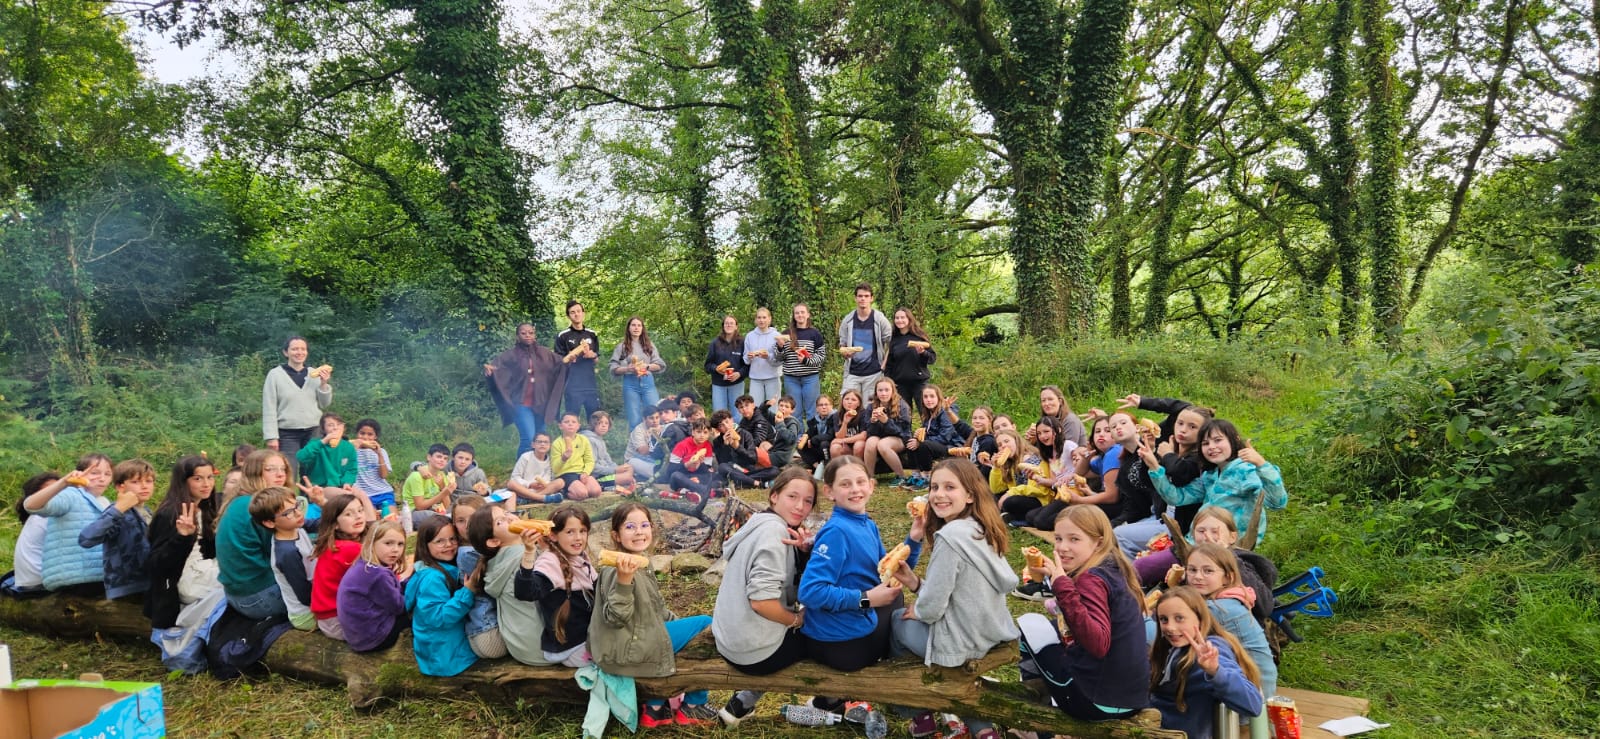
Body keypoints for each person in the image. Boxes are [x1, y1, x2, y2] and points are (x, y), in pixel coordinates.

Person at [888, 460, 1017, 739]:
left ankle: (919, 714)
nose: (938, 495)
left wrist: (918, 610)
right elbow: (957, 593)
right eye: (934, 487)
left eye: (950, 487)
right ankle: (983, 731)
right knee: (950, 669)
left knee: (897, 620)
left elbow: (933, 608)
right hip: (989, 631)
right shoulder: (981, 528)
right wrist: (913, 582)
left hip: (964, 642)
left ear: (969, 494)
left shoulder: (949, 537)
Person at [795, 456, 920, 728]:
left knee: (894, 593)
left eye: (861, 482)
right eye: (845, 484)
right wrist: (865, 599)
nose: (855, 489)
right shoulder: (837, 531)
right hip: (839, 646)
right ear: (829, 492)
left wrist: (915, 538)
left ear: (872, 486)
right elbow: (810, 592)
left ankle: (829, 700)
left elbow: (893, 572)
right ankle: (882, 688)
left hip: (845, 633)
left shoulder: (866, 524)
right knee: (895, 603)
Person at [1016, 505, 1149, 721]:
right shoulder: (1114, 568)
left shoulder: (1092, 579)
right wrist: (1055, 577)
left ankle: (1038, 718)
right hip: (1130, 699)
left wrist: (1061, 583)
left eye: (1074, 539)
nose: (1062, 547)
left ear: (1098, 542)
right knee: (1053, 626)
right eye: (1058, 538)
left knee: (1029, 625)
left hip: (1093, 701)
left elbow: (1097, 643)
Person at [593, 503, 717, 726]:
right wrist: (623, 580)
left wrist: (679, 626)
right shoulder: (615, 569)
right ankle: (693, 706)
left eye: (644, 525)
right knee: (707, 624)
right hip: (625, 646)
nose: (639, 531)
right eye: (630, 526)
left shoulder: (642, 563)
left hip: (637, 637)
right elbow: (615, 618)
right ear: (616, 535)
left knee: (684, 630)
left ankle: (655, 708)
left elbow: (657, 609)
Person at [714, 467, 818, 725]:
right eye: (792, 497)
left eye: (807, 501)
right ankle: (827, 702)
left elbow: (787, 585)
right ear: (774, 496)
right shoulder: (775, 534)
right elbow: (762, 602)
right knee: (830, 632)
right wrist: (798, 620)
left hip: (727, 639)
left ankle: (741, 703)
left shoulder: (758, 522)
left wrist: (804, 553)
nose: (800, 507)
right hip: (752, 652)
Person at [1149, 419, 1288, 547]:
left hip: (1230, 549)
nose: (1211, 447)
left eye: (1217, 440)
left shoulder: (1245, 471)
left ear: (1234, 440)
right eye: (1205, 443)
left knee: (1143, 566)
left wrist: (1261, 464)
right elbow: (1177, 498)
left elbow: (1277, 503)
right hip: (1198, 544)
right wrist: (1154, 468)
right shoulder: (1211, 475)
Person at [1150, 587, 1264, 739]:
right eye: (1164, 619)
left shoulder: (1210, 650)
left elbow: (1253, 704)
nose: (1170, 627)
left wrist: (1216, 671)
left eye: (1179, 618)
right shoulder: (1172, 648)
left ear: (1200, 619)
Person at [1173, 543, 1278, 697]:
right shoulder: (1225, 596)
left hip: (1254, 692)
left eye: (1208, 571)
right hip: (1251, 684)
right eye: (1192, 570)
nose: (1198, 576)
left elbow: (1175, 628)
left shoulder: (1220, 608)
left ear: (1228, 577)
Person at [467, 505, 555, 666]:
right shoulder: (523, 555)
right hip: (544, 648)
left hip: (520, 648)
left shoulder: (495, 561)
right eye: (500, 521)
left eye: (506, 513)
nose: (510, 518)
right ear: (494, 541)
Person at [516, 505, 598, 667]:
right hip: (571, 647)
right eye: (570, 532)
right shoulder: (550, 562)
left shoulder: (580, 557)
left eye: (582, 531)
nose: (578, 538)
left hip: (586, 636)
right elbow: (525, 593)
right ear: (553, 536)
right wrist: (528, 553)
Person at [214, 451, 291, 618]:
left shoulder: (239, 500)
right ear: (254, 474)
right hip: (260, 597)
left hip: (236, 595)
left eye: (283, 469)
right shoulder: (260, 506)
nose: (279, 474)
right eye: (270, 469)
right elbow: (284, 554)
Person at [23, 453, 113, 596]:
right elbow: (30, 505)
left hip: (96, 576)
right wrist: (64, 482)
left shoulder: (104, 502)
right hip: (73, 578)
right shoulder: (70, 495)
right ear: (81, 473)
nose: (102, 478)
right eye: (95, 473)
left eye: (107, 474)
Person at [406, 516, 480, 676]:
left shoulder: (436, 568)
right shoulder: (432, 578)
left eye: (452, 539)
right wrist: (467, 592)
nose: (448, 545)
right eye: (439, 541)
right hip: (445, 657)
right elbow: (439, 618)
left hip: (439, 650)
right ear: (425, 546)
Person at [485, 322, 568, 456]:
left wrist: (572, 359)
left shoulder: (545, 353)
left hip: (541, 404)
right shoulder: (510, 355)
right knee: (529, 439)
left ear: (534, 335)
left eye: (530, 333)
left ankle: (537, 472)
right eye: (523, 333)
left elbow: (561, 363)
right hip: (521, 404)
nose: (527, 335)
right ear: (517, 336)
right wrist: (490, 372)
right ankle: (519, 474)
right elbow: (496, 368)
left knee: (541, 441)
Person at [78, 458, 156, 600]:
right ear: (120, 487)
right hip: (128, 589)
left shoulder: (148, 512)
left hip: (150, 583)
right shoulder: (119, 511)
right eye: (136, 482)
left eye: (149, 481)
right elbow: (86, 538)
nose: (144, 486)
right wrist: (118, 509)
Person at [337, 520, 413, 653]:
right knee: (420, 610)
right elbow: (400, 607)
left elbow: (391, 591)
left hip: (358, 635)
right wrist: (416, 589)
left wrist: (408, 583)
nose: (395, 549)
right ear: (372, 544)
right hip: (373, 639)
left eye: (400, 544)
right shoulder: (378, 575)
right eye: (388, 543)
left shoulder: (364, 564)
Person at [262, 336, 333, 466]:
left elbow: (324, 404)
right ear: (286, 352)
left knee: (313, 471)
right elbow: (269, 407)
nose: (299, 352)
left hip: (313, 430)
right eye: (294, 349)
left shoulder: (314, 374)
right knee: (289, 469)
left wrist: (324, 384)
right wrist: (271, 437)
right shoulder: (275, 375)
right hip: (287, 433)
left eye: (303, 349)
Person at [310, 493, 373, 639]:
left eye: (360, 510)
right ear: (336, 524)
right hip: (338, 621)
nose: (358, 516)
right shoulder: (351, 549)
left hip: (327, 618)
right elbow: (384, 577)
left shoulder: (333, 544)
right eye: (349, 514)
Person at [262, 488, 315, 631]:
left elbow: (322, 524)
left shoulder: (294, 527)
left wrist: (322, 502)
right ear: (269, 523)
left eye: (296, 506)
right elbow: (305, 596)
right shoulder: (288, 553)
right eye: (288, 512)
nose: (298, 513)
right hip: (306, 615)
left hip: (314, 600)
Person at [904, 386, 970, 489]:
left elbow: (946, 436)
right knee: (910, 442)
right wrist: (918, 436)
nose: (928, 400)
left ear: (939, 398)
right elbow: (927, 432)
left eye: (932, 396)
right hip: (937, 443)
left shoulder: (945, 411)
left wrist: (923, 440)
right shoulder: (928, 413)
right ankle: (916, 476)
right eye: (925, 397)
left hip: (951, 445)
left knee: (924, 445)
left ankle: (928, 478)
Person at [610, 316, 666, 431]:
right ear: (628, 328)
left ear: (642, 328)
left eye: (639, 325)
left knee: (654, 414)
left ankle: (656, 444)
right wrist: (628, 369)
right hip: (630, 384)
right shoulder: (622, 347)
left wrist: (647, 366)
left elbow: (660, 365)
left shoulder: (649, 345)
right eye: (633, 325)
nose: (636, 328)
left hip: (648, 383)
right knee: (634, 418)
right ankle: (637, 446)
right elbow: (613, 368)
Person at [837, 283, 892, 399]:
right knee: (849, 404)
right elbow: (842, 344)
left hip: (874, 372)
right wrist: (845, 353)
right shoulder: (848, 320)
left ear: (871, 298)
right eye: (860, 296)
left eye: (866, 296)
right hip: (852, 372)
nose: (863, 299)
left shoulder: (879, 319)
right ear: (855, 298)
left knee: (870, 408)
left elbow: (892, 342)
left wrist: (884, 364)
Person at [8, 473, 59, 596]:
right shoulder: (46, 515)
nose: (57, 493)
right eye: (51, 490)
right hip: (40, 582)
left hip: (28, 581)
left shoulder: (36, 516)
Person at [778, 303, 827, 421]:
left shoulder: (815, 333)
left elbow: (821, 356)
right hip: (791, 378)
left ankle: (812, 437)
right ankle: (797, 436)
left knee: (813, 410)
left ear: (808, 315)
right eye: (797, 313)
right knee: (794, 410)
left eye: (802, 312)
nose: (800, 315)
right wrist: (780, 347)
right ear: (794, 316)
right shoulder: (785, 333)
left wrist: (806, 360)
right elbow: (778, 358)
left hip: (811, 378)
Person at [555, 300, 603, 421]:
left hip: (590, 383)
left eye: (578, 311)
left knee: (594, 419)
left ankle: (592, 439)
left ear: (583, 313)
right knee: (571, 419)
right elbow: (559, 361)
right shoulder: (563, 335)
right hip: (572, 385)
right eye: (572, 312)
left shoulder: (592, 334)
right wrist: (570, 358)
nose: (576, 314)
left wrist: (592, 355)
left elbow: (596, 359)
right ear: (568, 316)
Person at [862, 378, 914, 487]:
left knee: (883, 444)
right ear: (876, 392)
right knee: (871, 441)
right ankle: (869, 478)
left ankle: (901, 476)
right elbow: (869, 433)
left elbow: (903, 432)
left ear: (892, 391)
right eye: (880, 390)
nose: (883, 393)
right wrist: (873, 421)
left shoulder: (902, 406)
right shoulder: (871, 407)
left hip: (900, 439)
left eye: (887, 390)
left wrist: (886, 421)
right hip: (879, 437)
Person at [883, 307, 936, 411]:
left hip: (919, 382)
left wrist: (923, 353)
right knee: (903, 415)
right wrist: (890, 381)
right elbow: (889, 364)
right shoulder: (894, 340)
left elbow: (932, 358)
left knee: (925, 412)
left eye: (902, 317)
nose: (899, 320)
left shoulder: (919, 337)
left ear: (909, 319)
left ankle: (928, 428)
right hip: (900, 384)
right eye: (897, 318)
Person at [550, 412, 603, 500]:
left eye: (573, 422)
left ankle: (578, 489)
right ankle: (565, 491)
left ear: (578, 426)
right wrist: (563, 458)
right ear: (560, 426)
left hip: (581, 472)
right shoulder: (557, 443)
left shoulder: (583, 440)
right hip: (566, 474)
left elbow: (589, 460)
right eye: (567, 422)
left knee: (596, 492)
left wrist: (586, 473)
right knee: (582, 494)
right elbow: (555, 469)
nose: (570, 424)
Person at [706, 315, 749, 420]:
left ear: (736, 327)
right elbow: (707, 365)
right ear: (723, 326)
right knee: (719, 414)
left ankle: (739, 435)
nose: (729, 325)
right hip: (718, 384)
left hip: (737, 383)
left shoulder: (743, 342)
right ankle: (722, 435)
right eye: (726, 323)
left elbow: (748, 365)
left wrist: (739, 374)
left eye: (731, 323)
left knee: (738, 414)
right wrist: (717, 369)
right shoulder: (715, 343)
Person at [404, 444, 457, 527]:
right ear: (429, 457)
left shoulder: (442, 475)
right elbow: (420, 507)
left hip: (434, 509)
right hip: (414, 512)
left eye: (445, 458)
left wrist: (442, 486)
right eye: (439, 457)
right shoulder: (417, 476)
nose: (442, 460)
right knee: (436, 517)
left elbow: (446, 505)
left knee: (457, 510)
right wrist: (443, 493)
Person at [351, 419, 397, 516]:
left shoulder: (382, 452)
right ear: (357, 434)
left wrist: (379, 454)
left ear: (375, 436)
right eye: (362, 433)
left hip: (383, 492)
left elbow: (383, 475)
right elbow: (345, 470)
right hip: (363, 495)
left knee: (391, 519)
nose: (365, 437)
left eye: (370, 434)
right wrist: (353, 449)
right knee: (373, 521)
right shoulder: (350, 451)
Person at [664, 419, 716, 503]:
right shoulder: (682, 445)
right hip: (682, 477)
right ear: (693, 432)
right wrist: (687, 465)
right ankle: (709, 492)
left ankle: (688, 492)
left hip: (697, 478)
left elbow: (707, 469)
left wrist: (700, 464)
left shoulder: (707, 446)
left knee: (711, 474)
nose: (702, 435)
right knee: (675, 476)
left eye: (705, 432)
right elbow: (670, 470)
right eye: (698, 432)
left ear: (709, 433)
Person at [583, 411, 635, 493]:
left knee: (629, 467)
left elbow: (608, 460)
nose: (603, 426)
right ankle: (601, 485)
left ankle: (619, 482)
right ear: (593, 424)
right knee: (627, 477)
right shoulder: (590, 440)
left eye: (606, 423)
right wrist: (614, 471)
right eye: (600, 423)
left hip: (606, 472)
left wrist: (618, 468)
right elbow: (593, 467)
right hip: (596, 476)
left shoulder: (600, 439)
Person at [507, 433, 565, 504]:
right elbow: (515, 477)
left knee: (560, 482)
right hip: (525, 489)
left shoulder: (551, 460)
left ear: (550, 446)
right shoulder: (525, 457)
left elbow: (551, 479)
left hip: (542, 490)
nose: (542, 444)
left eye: (546, 442)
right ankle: (542, 498)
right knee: (511, 483)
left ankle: (531, 499)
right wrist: (530, 484)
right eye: (539, 442)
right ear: (533, 444)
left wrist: (544, 484)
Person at [744, 307, 784, 410]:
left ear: (769, 319)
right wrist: (749, 357)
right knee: (755, 409)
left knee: (773, 408)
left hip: (773, 377)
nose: (761, 320)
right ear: (756, 320)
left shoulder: (777, 336)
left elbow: (780, 359)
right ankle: (758, 426)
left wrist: (768, 357)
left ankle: (775, 427)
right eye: (759, 318)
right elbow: (745, 359)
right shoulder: (750, 336)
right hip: (756, 378)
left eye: (764, 317)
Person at [1034, 385, 1087, 450]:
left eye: (1050, 399)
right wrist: (1033, 439)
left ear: (1060, 401)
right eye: (1043, 400)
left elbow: (1066, 451)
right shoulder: (1044, 422)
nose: (1046, 403)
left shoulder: (1070, 421)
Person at [625, 407, 665, 482]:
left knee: (662, 463)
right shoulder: (638, 430)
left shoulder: (662, 427)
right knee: (632, 462)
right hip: (636, 460)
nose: (655, 421)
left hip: (653, 460)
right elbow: (643, 451)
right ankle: (658, 476)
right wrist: (652, 437)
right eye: (651, 418)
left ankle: (658, 473)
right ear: (644, 419)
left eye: (657, 417)